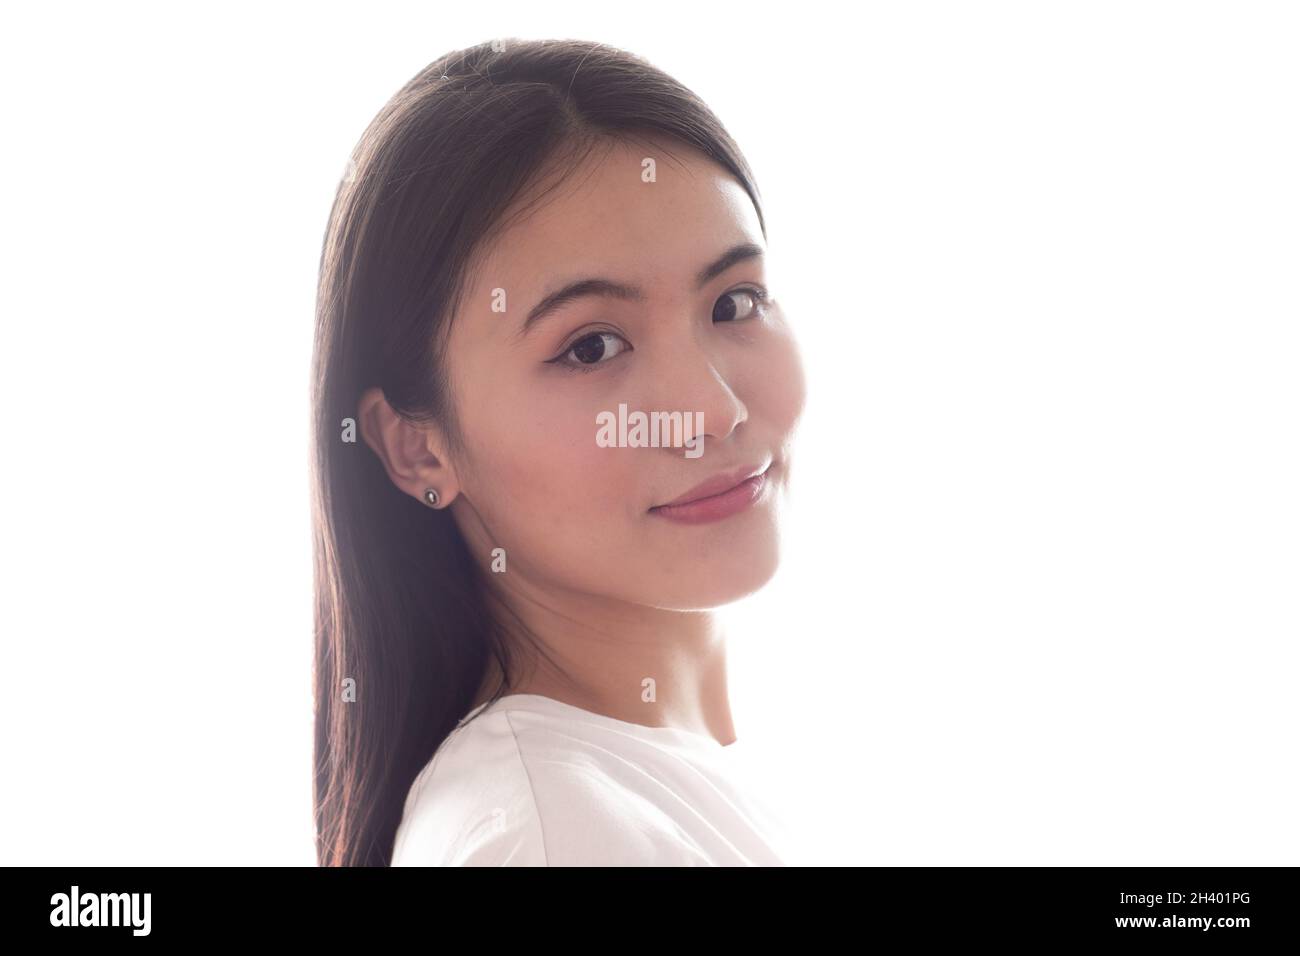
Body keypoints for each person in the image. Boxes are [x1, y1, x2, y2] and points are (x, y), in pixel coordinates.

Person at [311, 37, 807, 866]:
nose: (712, 412)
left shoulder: (639, 792)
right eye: (591, 348)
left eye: (735, 302)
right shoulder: (546, 835)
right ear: (417, 449)